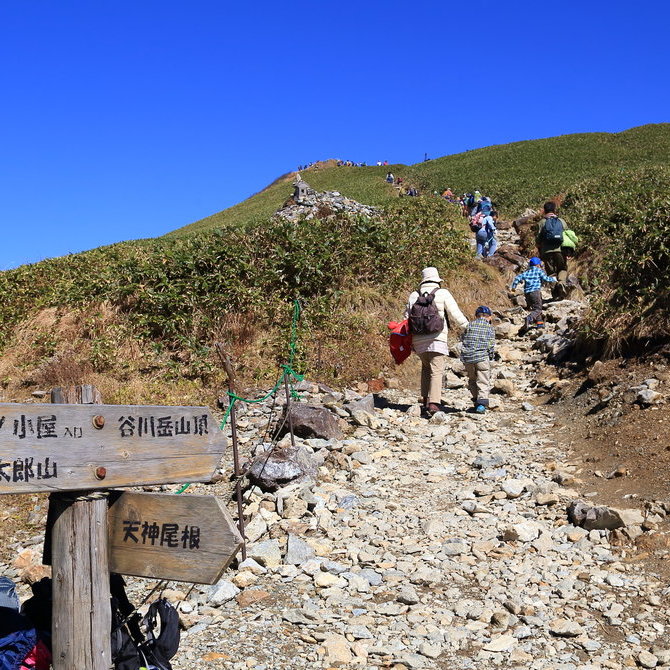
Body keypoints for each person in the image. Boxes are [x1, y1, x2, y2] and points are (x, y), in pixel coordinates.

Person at [405, 267, 468, 416]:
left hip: (418, 340)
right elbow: (455, 313)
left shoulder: (414, 295)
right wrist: (467, 326)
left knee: (426, 368)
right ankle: (434, 403)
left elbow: (406, 318)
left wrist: (408, 340)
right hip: (437, 337)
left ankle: (425, 400)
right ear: (437, 280)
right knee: (437, 371)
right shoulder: (442, 293)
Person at [460, 306, 496, 413]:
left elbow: (463, 339)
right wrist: (491, 357)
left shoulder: (470, 325)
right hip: (482, 357)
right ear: (489, 317)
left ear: (476, 316)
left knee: (472, 380)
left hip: (468, 357)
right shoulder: (489, 328)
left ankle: (476, 400)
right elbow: (490, 344)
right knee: (483, 380)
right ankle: (481, 404)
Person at [510, 257, 557, 333]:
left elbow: (517, 278)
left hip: (527, 294)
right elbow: (546, 279)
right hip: (535, 292)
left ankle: (540, 324)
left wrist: (513, 289)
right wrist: (554, 279)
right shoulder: (539, 271)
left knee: (535, 308)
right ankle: (529, 318)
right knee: (538, 309)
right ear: (538, 265)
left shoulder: (526, 272)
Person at [536, 201, 568, 298]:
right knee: (562, 268)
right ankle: (561, 283)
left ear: (544, 210)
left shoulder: (542, 222)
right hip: (560, 250)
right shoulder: (561, 221)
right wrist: (568, 251)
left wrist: (540, 249)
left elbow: (538, 240)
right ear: (554, 210)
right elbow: (567, 236)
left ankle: (555, 293)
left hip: (546, 251)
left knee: (550, 273)